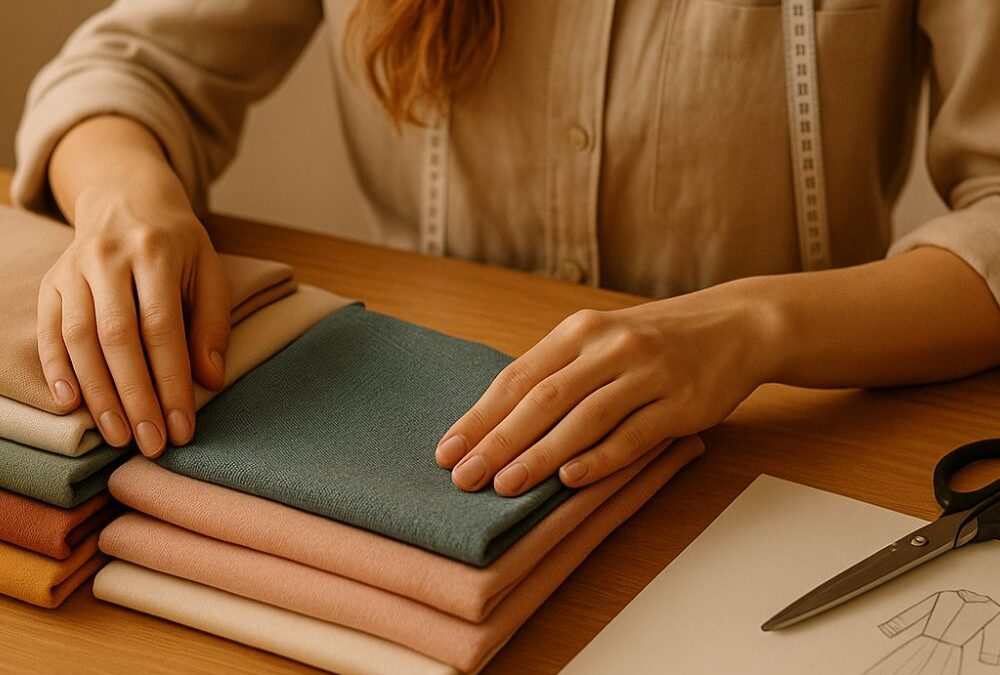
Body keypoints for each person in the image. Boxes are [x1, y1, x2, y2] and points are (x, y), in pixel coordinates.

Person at [12, 1, 1000, 498]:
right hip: (412, 434)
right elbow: (130, 63)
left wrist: (751, 326)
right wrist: (122, 204)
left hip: (783, 446)